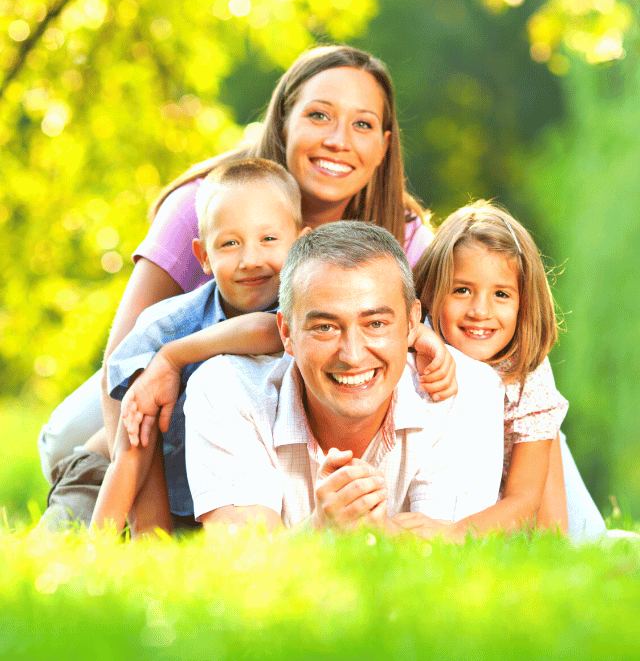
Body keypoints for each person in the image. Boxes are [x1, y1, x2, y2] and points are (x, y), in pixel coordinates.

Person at [38, 45, 455, 530]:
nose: (339, 140)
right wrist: (145, 517)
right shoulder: (204, 202)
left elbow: (464, 343)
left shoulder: (399, 235)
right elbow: (129, 363)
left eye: (361, 124)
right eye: (319, 116)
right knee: (73, 448)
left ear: (384, 145)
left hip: (254, 471)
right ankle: (74, 473)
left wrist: (426, 339)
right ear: (282, 123)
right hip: (148, 446)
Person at [184, 221, 505, 533]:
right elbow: (242, 568)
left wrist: (380, 530)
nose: (352, 356)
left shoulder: (470, 393)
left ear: (411, 323)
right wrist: (320, 531)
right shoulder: (227, 392)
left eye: (376, 324)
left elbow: (453, 569)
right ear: (286, 333)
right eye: (325, 327)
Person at [91, 159, 309, 533]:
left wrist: (176, 358)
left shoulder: (313, 308)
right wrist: (144, 541)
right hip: (185, 505)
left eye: (269, 239)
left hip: (287, 509)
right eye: (229, 243)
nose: (250, 259)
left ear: (302, 244)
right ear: (204, 256)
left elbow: (272, 330)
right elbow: (134, 450)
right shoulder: (166, 327)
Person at [412, 200, 606, 540]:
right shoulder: (413, 352)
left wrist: (452, 534)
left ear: (523, 304)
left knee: (573, 541)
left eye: (501, 294)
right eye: (462, 290)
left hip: (504, 512)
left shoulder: (525, 373)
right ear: (431, 291)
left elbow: (526, 499)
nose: (480, 311)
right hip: (446, 498)